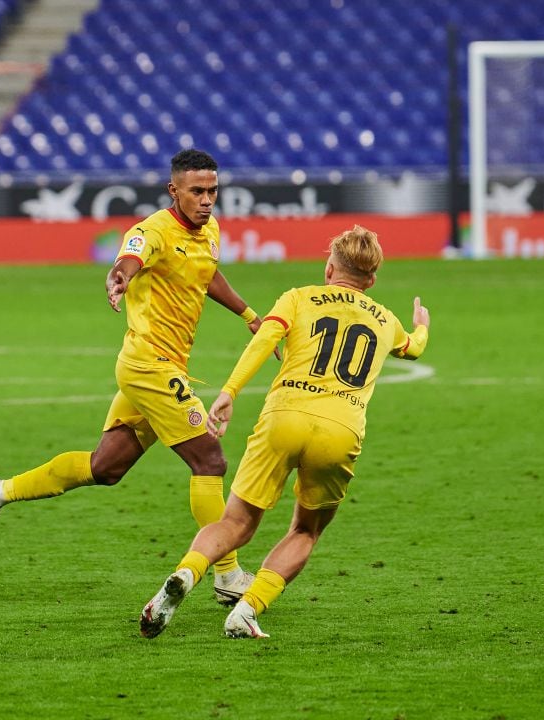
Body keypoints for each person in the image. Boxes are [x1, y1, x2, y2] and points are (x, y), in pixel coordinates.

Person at [0, 149, 273, 604]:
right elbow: (130, 259)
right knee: (209, 461)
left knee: (105, 466)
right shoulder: (150, 231)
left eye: (212, 191)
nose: (207, 200)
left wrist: (248, 313)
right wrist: (120, 277)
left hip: (157, 367)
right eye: (197, 192)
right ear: (174, 191)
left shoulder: (209, 231)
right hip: (150, 365)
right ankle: (227, 575)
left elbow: (206, 275)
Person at [139, 225, 430, 640]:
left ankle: (186, 573)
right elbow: (413, 348)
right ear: (372, 280)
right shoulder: (386, 320)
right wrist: (421, 326)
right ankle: (248, 609)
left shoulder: (298, 297)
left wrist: (228, 392)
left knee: (236, 521)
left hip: (284, 417)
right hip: (341, 429)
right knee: (305, 530)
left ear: (330, 268)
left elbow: (263, 342)